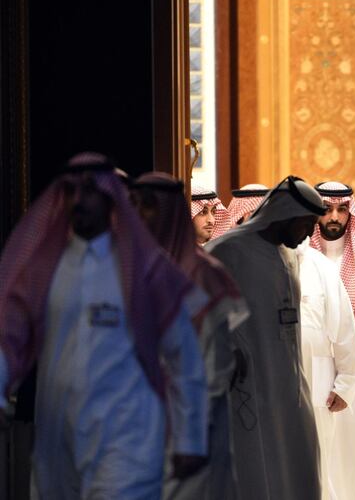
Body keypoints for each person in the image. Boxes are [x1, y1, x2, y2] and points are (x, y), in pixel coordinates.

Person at [0, 153, 208, 498]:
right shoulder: (44, 268)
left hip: (129, 432)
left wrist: (190, 437)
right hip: (59, 433)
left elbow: (184, 354)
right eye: (72, 193)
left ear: (110, 198)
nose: (79, 202)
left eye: (89, 192)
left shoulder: (148, 270)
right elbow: (10, 335)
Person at [130, 172, 250, 500]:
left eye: (152, 206)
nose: (142, 215)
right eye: (136, 205)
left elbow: (217, 364)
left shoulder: (204, 273)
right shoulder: (124, 269)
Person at [205, 176, 326, 500]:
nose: (310, 234)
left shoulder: (285, 253)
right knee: (256, 472)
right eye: (306, 224)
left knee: (297, 466)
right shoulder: (227, 251)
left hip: (288, 387)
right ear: (285, 215)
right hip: (247, 392)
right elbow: (199, 315)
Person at [309, 181, 355, 500]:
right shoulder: (304, 257)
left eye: (341, 209)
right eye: (326, 210)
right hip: (314, 367)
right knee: (321, 449)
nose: (334, 217)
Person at [297, 241, 355, 499]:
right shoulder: (253, 261)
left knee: (316, 466)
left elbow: (345, 328)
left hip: (317, 386)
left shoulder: (320, 265)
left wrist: (346, 383)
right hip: (267, 386)